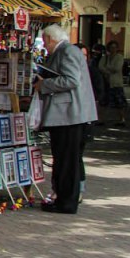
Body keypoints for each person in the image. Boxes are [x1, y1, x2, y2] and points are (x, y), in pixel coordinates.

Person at [34, 24, 98, 214]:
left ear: (50, 39)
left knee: (67, 160)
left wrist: (44, 84)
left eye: (45, 41)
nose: (44, 46)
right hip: (67, 116)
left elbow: (71, 80)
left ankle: (66, 202)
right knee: (64, 159)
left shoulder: (67, 51)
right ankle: (62, 198)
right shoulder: (65, 51)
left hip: (69, 115)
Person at [99, 39, 126, 124]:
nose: (113, 49)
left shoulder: (119, 57)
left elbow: (117, 68)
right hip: (106, 83)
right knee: (103, 102)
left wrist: (107, 68)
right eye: (111, 47)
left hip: (116, 83)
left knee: (119, 102)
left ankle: (122, 119)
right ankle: (101, 119)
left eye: (115, 47)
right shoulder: (105, 57)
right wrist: (108, 71)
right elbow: (100, 67)